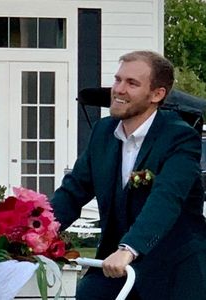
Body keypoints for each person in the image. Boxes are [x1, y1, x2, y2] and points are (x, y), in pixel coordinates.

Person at [51, 51, 206, 299]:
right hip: (115, 267)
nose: (119, 89)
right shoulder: (103, 131)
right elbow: (72, 192)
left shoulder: (180, 137)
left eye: (132, 83)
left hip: (173, 268)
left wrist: (129, 249)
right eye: (118, 80)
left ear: (158, 94)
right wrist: (34, 233)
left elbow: (166, 199)